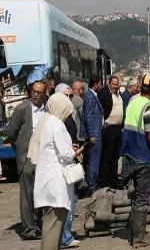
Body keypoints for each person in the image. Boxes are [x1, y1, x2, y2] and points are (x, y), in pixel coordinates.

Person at [30, 92, 85, 250]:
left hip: (50, 181)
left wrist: (69, 149)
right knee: (53, 228)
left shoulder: (49, 122)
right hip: (56, 183)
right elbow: (65, 154)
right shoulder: (57, 124)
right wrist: (76, 152)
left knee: (53, 226)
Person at [121, 73, 150, 248]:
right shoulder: (148, 107)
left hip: (131, 155)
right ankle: (139, 237)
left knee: (137, 196)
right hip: (144, 158)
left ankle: (136, 232)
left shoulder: (133, 103)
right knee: (142, 198)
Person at [7, 80, 47, 240]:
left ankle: (37, 224)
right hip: (27, 158)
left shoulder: (47, 109)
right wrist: (22, 150)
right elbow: (11, 134)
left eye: (39, 92)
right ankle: (28, 230)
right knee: (27, 195)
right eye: (33, 91)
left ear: (44, 93)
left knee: (40, 194)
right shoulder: (22, 109)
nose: (35, 94)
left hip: (43, 158)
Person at [54, 84, 82, 249]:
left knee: (73, 198)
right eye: (65, 96)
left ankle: (66, 234)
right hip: (65, 163)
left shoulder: (67, 114)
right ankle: (64, 236)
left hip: (72, 158)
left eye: (71, 96)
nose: (69, 99)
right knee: (67, 200)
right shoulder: (58, 119)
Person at [97, 76, 123, 188]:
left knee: (115, 156)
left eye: (117, 84)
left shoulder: (119, 95)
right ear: (109, 84)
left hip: (118, 129)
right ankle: (104, 181)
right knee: (107, 156)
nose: (115, 86)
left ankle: (113, 179)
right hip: (109, 128)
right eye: (113, 84)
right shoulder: (104, 94)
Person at [81, 75, 104, 192]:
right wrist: (92, 135)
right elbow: (88, 116)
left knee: (94, 160)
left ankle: (93, 183)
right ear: (96, 84)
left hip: (97, 132)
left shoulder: (92, 95)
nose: (101, 86)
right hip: (94, 134)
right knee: (93, 161)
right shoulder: (90, 97)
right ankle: (92, 186)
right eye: (100, 84)